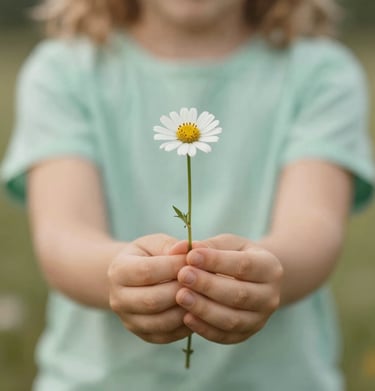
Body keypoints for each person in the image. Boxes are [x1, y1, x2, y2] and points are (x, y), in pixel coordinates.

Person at [1, 0, 374, 390]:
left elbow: (315, 229)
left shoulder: (320, 73)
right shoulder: (64, 72)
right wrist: (121, 275)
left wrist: (261, 274)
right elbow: (63, 236)